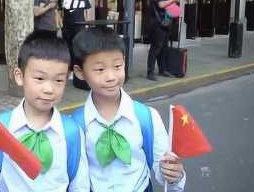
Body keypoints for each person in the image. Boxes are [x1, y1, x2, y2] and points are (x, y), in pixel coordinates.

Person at [0, 31, 89, 192]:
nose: (49, 89)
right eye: (40, 78)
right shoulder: (0, 128)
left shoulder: (71, 131)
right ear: (20, 76)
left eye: (59, 80)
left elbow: (79, 184)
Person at [71, 27, 186, 192]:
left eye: (117, 66)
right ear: (80, 72)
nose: (111, 77)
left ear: (124, 61)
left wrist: (174, 175)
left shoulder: (146, 117)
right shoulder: (75, 126)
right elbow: (78, 181)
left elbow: (163, 167)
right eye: (100, 69)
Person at [147, 0, 180, 81]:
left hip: (165, 22)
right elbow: (161, 4)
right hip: (158, 22)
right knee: (156, 47)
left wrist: (176, 9)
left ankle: (162, 69)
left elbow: (167, 6)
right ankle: (150, 72)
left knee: (164, 48)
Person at [58, 0, 93, 71]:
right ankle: (70, 68)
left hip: (80, 27)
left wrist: (88, 24)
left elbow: (88, 11)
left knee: (79, 47)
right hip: (67, 27)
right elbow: (59, 13)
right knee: (68, 48)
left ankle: (79, 67)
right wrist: (60, 24)